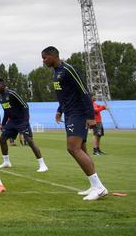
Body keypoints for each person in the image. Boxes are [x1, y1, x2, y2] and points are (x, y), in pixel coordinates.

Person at [42, 46, 107, 201]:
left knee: (73, 148)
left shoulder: (69, 69)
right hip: (70, 113)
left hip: (79, 114)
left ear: (53, 55)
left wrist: (90, 116)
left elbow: (84, 91)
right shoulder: (56, 73)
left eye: (45, 57)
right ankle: (94, 185)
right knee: (82, 149)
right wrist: (60, 110)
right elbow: (66, 96)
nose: (43, 61)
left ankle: (99, 187)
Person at [0, 78, 48, 173]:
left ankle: (42, 165)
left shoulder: (12, 94)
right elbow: (6, 112)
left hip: (22, 121)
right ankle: (6, 162)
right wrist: (3, 125)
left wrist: (26, 121)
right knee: (1, 139)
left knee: (29, 140)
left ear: (3, 85)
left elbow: (25, 105)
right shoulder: (0, 98)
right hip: (12, 122)